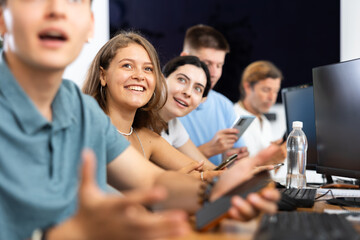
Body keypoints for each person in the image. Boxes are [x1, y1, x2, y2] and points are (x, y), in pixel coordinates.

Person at [0, 2, 279, 239]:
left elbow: (151, 181)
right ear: (3, 18)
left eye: (73, 0)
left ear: (89, 26)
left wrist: (218, 190)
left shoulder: (83, 109)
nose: (56, 10)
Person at [82, 32, 218, 178]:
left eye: (148, 69)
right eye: (127, 66)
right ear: (103, 76)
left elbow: (205, 173)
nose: (139, 76)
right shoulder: (85, 130)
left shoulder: (148, 138)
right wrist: (170, 185)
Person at [179, 24, 248, 166]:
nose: (214, 73)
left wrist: (232, 159)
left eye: (219, 65)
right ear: (185, 58)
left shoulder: (225, 105)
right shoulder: (168, 104)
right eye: (207, 63)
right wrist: (210, 149)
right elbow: (158, 168)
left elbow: (234, 160)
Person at [159, 55, 216, 170]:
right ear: (161, 79)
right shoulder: (136, 115)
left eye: (198, 89)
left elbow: (206, 165)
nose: (188, 92)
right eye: (181, 80)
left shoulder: (173, 125)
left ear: (201, 101)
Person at [234, 60, 286, 158]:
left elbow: (268, 173)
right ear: (248, 87)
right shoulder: (233, 119)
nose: (272, 97)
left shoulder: (265, 123)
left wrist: (275, 156)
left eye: (275, 91)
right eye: (266, 90)